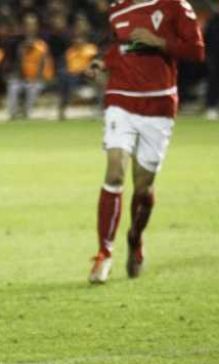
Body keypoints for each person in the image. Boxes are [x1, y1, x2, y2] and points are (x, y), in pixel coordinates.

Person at [86, 0, 204, 284]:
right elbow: (120, 47)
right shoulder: (118, 8)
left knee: (143, 187)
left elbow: (196, 51)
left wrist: (159, 41)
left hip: (158, 105)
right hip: (121, 100)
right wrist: (103, 63)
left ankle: (135, 237)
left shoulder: (175, 5)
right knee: (115, 172)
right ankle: (104, 253)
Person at [6, 13, 53, 120]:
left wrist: (36, 79)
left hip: (38, 80)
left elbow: (44, 67)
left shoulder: (42, 46)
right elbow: (17, 67)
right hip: (23, 79)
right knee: (13, 85)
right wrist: (17, 76)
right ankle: (13, 115)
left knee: (32, 87)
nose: (29, 27)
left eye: (32, 24)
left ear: (36, 27)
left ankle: (26, 114)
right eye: (27, 24)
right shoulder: (19, 45)